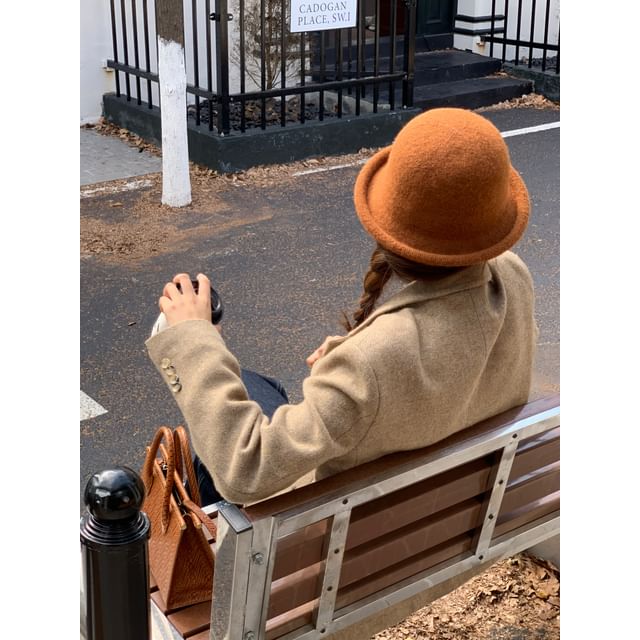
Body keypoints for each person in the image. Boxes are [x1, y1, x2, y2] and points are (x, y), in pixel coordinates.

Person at [146, 108, 537, 506]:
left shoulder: (371, 363)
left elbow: (244, 470)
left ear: (384, 221)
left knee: (210, 439)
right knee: (257, 385)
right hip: (454, 513)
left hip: (338, 536)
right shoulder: (511, 277)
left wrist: (195, 342)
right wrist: (350, 357)